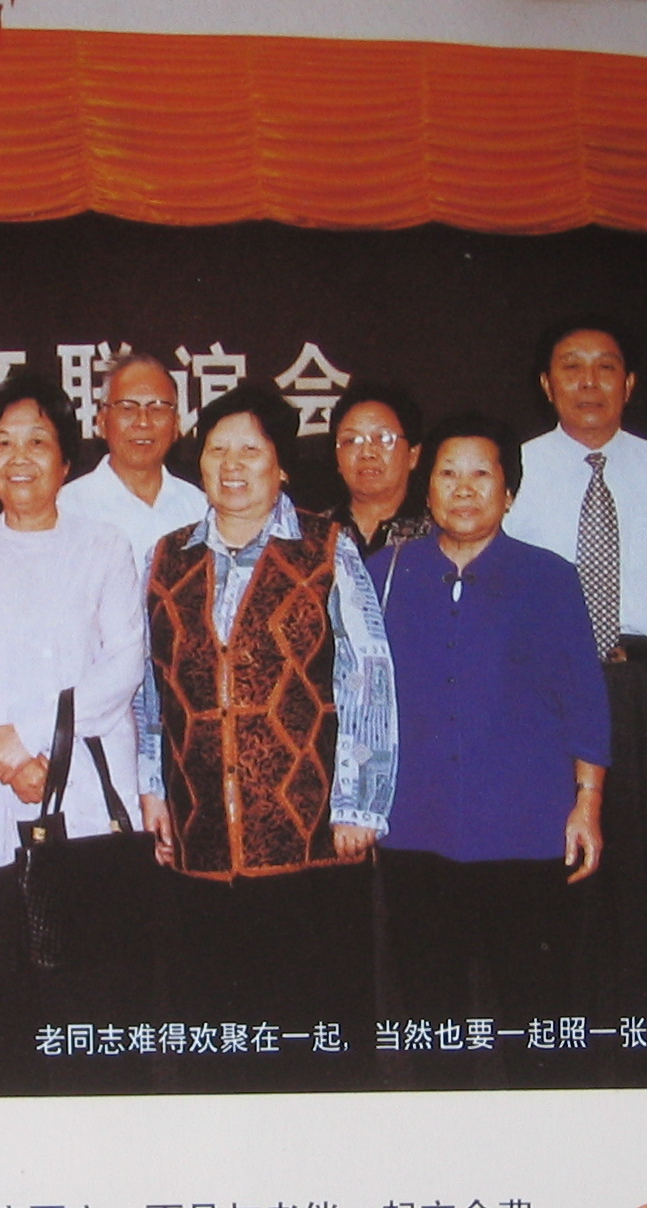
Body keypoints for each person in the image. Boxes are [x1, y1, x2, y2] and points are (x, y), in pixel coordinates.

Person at [137, 380, 396, 1046]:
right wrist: (152, 787)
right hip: (199, 836)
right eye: (217, 449)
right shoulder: (167, 556)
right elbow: (151, 685)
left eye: (250, 450)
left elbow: (367, 676)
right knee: (218, 1033)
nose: (231, 465)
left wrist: (360, 804)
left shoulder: (325, 547)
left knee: (313, 1031)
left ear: (281, 465)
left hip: (308, 835)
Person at [0, 371, 148, 1088]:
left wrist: (34, 741)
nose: (20, 457)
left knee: (89, 1003)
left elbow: (124, 665)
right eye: (3, 442)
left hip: (84, 805)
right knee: (0, 1005)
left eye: (37, 442)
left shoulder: (104, 547)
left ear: (66, 460)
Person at [502, 315, 647, 1014]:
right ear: (547, 384)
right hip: (544, 692)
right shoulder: (512, 469)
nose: (589, 381)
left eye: (605, 367)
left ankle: (643, 1030)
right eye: (571, 366)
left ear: (629, 383)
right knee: (556, 865)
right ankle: (563, 1034)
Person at [374, 416, 609, 1059]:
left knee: (538, 1015)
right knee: (431, 1020)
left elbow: (584, 699)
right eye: (448, 473)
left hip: (525, 828)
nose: (463, 488)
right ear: (426, 489)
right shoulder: (383, 575)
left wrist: (587, 802)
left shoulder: (549, 578)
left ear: (509, 493)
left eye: (481, 474)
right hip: (415, 827)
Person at [57, 350, 208, 560]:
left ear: (176, 425)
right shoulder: (66, 508)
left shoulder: (201, 508)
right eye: (127, 408)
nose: (143, 422)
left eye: (157, 408)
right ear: (101, 423)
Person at [328, 379, 431, 556]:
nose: (367, 453)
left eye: (383, 438)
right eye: (351, 441)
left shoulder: (437, 534)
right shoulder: (313, 533)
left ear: (413, 455)